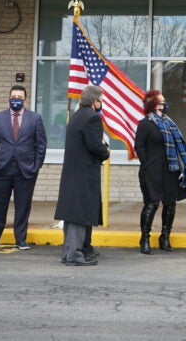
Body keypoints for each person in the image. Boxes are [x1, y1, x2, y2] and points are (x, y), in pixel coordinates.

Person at [134, 90, 186, 255]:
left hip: (171, 169)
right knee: (152, 203)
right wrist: (146, 164)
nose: (165, 104)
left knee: (170, 204)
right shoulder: (145, 123)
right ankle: (145, 239)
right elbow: (139, 147)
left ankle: (165, 237)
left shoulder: (170, 123)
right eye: (162, 101)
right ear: (154, 105)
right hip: (152, 171)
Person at [0, 85, 47, 250]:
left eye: (20, 97)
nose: (16, 100)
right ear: (8, 99)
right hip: (0, 170)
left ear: (25, 100)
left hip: (25, 171)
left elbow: (41, 145)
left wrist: (36, 166)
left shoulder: (35, 118)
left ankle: (20, 239)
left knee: (23, 206)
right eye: (14, 97)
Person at [54, 85, 110, 266]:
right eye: (101, 100)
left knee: (72, 216)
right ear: (95, 101)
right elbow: (95, 145)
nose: (102, 103)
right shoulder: (92, 118)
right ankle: (74, 255)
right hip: (84, 174)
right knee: (79, 215)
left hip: (73, 173)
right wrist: (106, 152)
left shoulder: (77, 116)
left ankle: (69, 252)